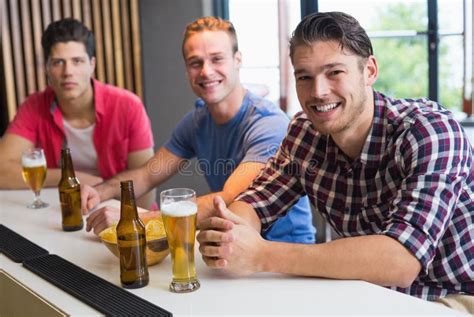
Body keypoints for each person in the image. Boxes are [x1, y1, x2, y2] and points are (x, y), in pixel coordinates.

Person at [197, 12, 474, 313]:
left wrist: (262, 254)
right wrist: (231, 233)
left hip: (452, 295)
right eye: (305, 76)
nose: (318, 92)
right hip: (367, 292)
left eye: (334, 73)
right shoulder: (305, 133)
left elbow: (401, 260)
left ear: (369, 70)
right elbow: (258, 200)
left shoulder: (431, 132)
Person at [81, 17, 316, 244]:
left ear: (237, 60)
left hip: (284, 256)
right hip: (233, 246)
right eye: (196, 62)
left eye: (217, 59)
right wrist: (98, 192)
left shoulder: (267, 124)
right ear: (187, 70)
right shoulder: (197, 120)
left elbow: (228, 199)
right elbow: (148, 174)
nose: (206, 71)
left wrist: (141, 219)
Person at [0, 18, 156, 208]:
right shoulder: (34, 106)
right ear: (47, 68)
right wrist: (73, 178)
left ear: (92, 64)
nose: (68, 72)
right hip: (65, 211)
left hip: (122, 213)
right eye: (58, 62)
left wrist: (104, 195)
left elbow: (146, 193)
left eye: (77, 61)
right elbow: (2, 171)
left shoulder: (128, 106)